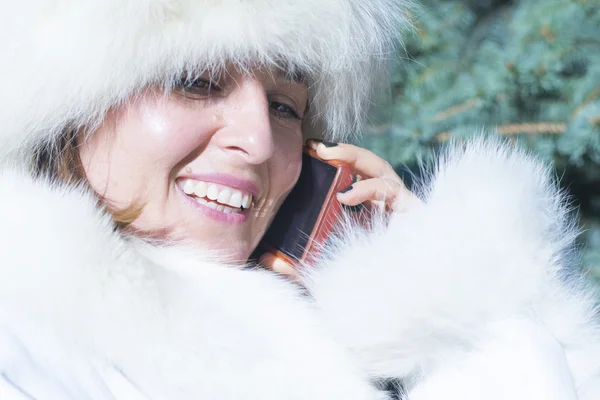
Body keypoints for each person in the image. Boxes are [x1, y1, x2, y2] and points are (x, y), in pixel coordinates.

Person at [0, 1, 598, 399]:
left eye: (285, 106)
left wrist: (435, 294)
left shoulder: (322, 341)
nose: (260, 141)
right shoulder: (22, 341)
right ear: (70, 110)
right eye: (198, 82)